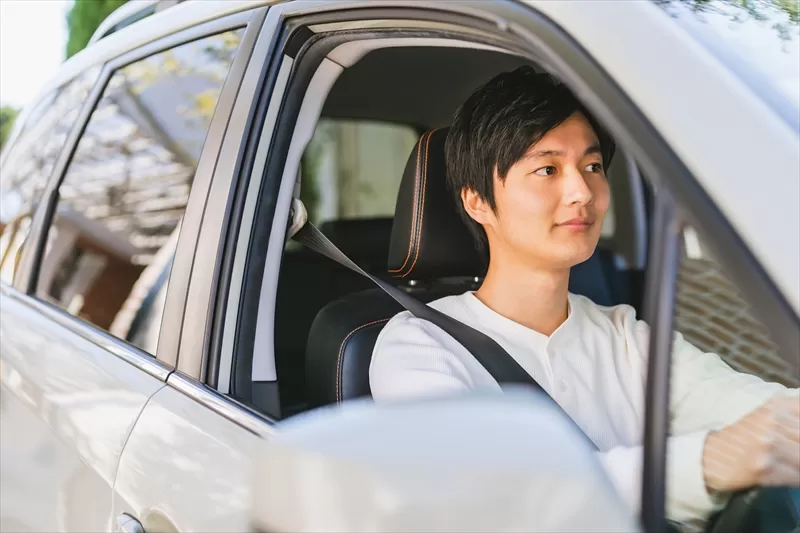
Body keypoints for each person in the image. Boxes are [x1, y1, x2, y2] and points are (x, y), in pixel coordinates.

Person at [369, 66, 800, 524]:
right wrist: (708, 462)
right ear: (477, 202)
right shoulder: (418, 347)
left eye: (592, 166)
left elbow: (761, 409)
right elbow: (483, 493)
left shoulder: (625, 336)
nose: (582, 192)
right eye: (547, 168)